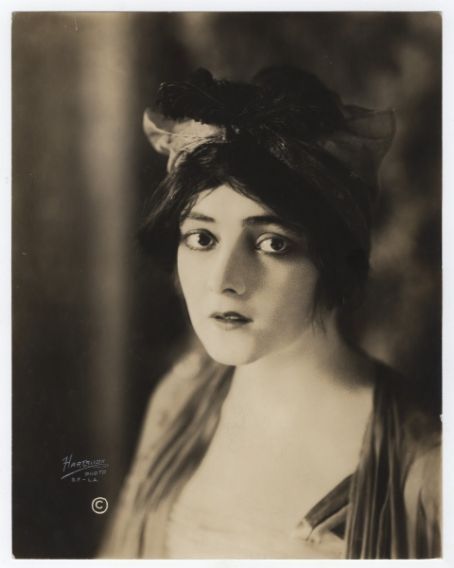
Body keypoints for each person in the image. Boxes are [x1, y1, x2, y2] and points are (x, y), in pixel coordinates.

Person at [98, 66, 441, 559]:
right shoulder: (181, 397)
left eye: (272, 243)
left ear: (331, 257)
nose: (223, 279)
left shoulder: (426, 466)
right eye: (202, 238)